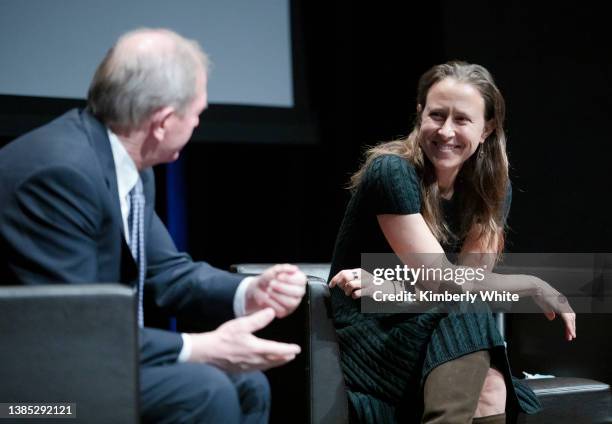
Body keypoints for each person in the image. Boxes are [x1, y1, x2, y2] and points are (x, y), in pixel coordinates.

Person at [0, 28, 307, 424]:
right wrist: (200, 347)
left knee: (247, 385)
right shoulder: (61, 175)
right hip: (31, 394)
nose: (198, 123)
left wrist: (250, 290)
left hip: (89, 357)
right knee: (205, 391)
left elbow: (166, 272)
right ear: (162, 122)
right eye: (197, 113)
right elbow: (73, 330)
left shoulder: (124, 161)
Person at [328, 61, 576, 423]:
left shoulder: (492, 189)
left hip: (428, 314)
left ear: (487, 127)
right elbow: (445, 282)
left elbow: (466, 289)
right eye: (437, 115)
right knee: (481, 355)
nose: (445, 131)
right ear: (419, 115)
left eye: (462, 119)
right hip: (373, 330)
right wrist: (532, 284)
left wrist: (393, 287)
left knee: (489, 380)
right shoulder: (392, 172)